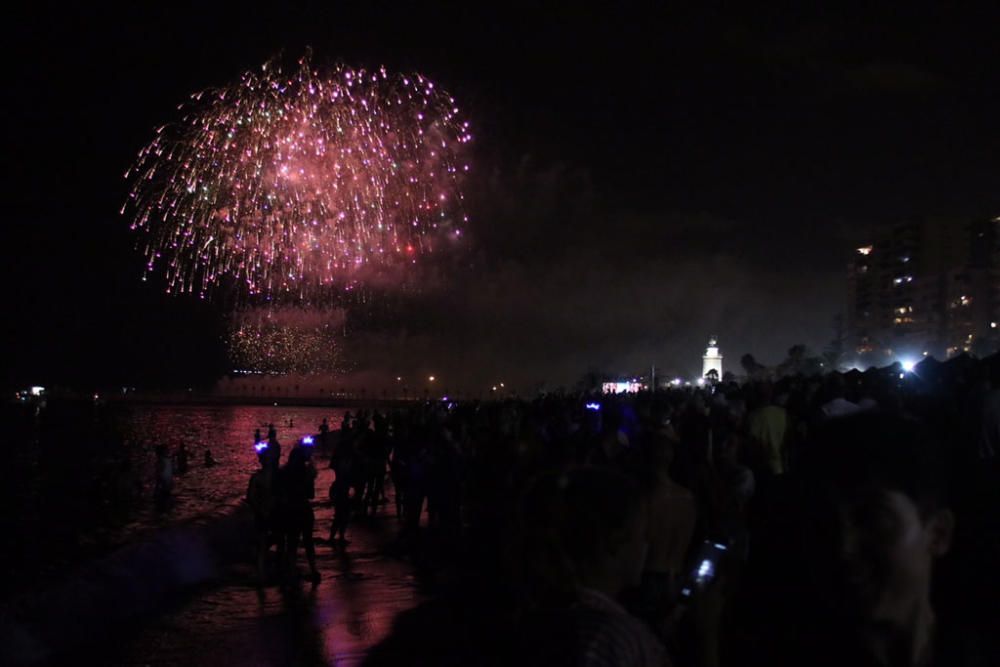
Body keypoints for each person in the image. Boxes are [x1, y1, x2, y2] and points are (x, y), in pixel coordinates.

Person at [516, 466, 668, 666]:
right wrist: (707, 637)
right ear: (615, 541)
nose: (647, 543)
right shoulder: (608, 635)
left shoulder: (544, 613)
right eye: (642, 534)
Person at [279, 439, 320, 582]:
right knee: (308, 541)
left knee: (292, 542)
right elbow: (311, 495)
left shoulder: (283, 473)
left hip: (290, 510)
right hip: (304, 509)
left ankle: (291, 570)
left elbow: (281, 495)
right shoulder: (307, 473)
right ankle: (313, 569)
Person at [247, 442, 279, 583]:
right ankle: (262, 572)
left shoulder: (265, 477)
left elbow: (250, 498)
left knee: (270, 541)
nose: (268, 460)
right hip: (264, 514)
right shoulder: (259, 478)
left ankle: (264, 570)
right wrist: (260, 510)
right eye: (266, 458)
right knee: (265, 542)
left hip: (270, 513)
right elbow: (251, 498)